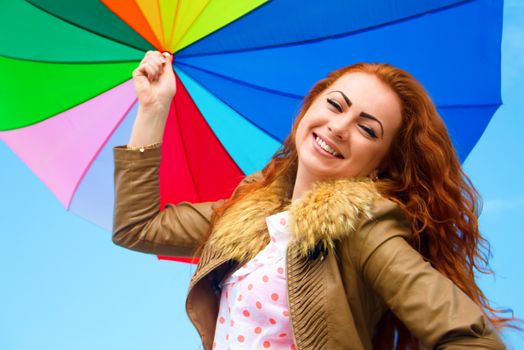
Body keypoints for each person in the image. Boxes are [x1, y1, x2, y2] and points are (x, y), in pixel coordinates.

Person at [112, 51, 512, 349]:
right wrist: (154, 106)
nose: (338, 127)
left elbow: (473, 340)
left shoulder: (363, 226)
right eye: (335, 105)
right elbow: (136, 226)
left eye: (367, 130)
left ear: (381, 164)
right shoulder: (251, 212)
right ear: (311, 105)